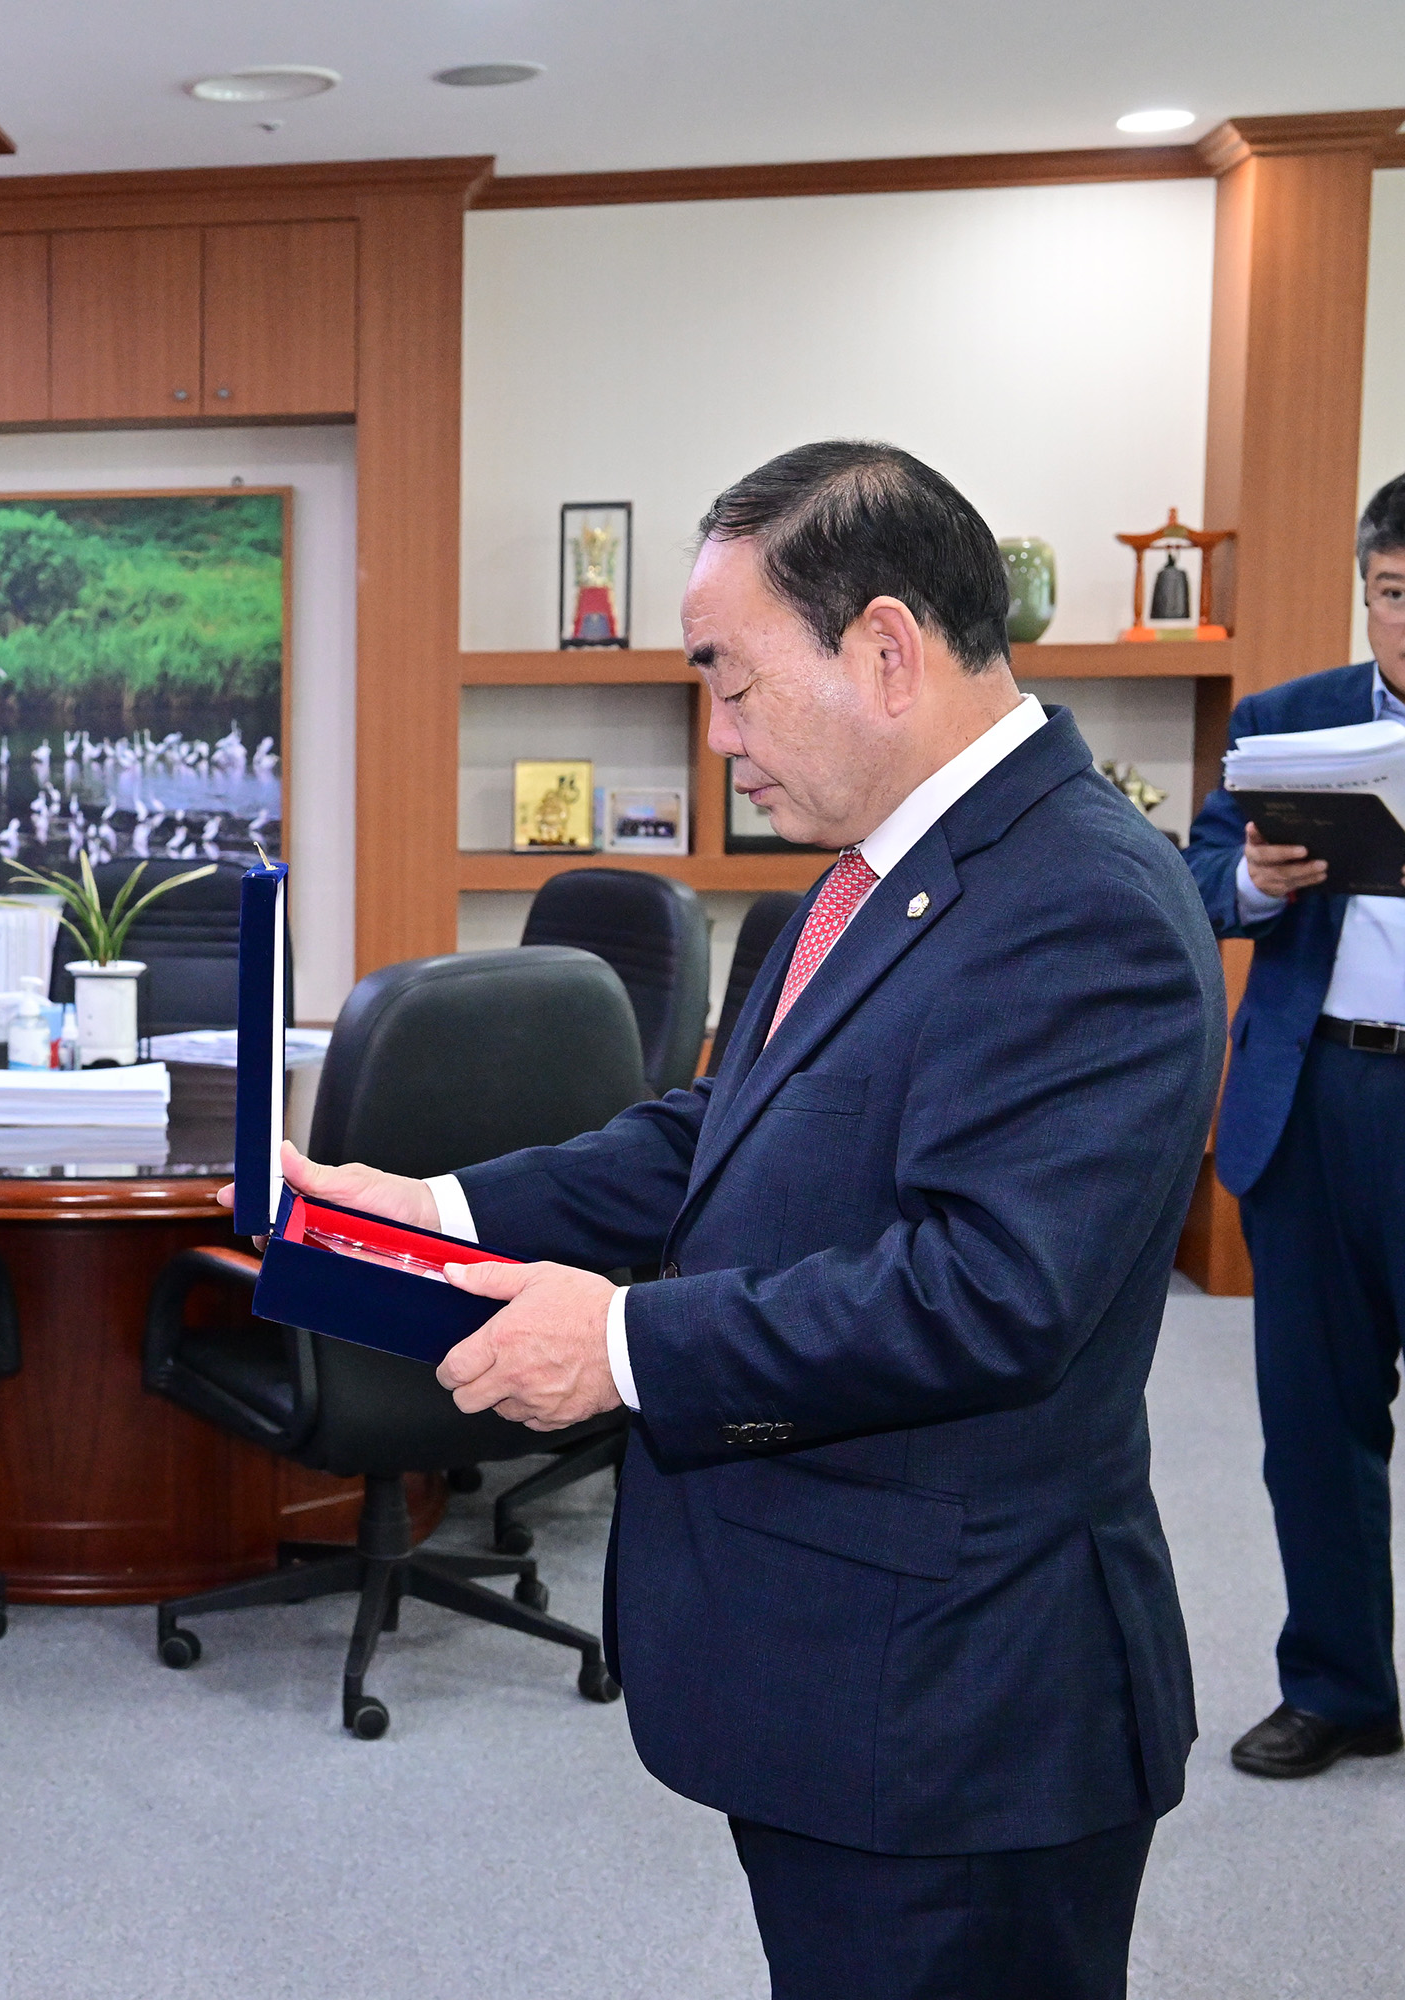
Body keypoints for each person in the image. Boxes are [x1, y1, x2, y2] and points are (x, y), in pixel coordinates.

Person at [275, 442, 1222, 1999]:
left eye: (732, 682)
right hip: (850, 1679)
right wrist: (439, 1203)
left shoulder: (1082, 902)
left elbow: (990, 1291)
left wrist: (626, 1343)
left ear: (889, 650)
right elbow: (726, 1132)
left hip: (962, 1713)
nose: (717, 740)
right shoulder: (872, 880)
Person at [1183, 470, 1405, 1780]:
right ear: (1368, 592)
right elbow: (1198, 880)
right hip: (1319, 1098)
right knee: (1314, 1423)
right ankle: (1338, 1685)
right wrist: (1257, 885)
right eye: (1394, 597)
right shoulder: (1291, 725)